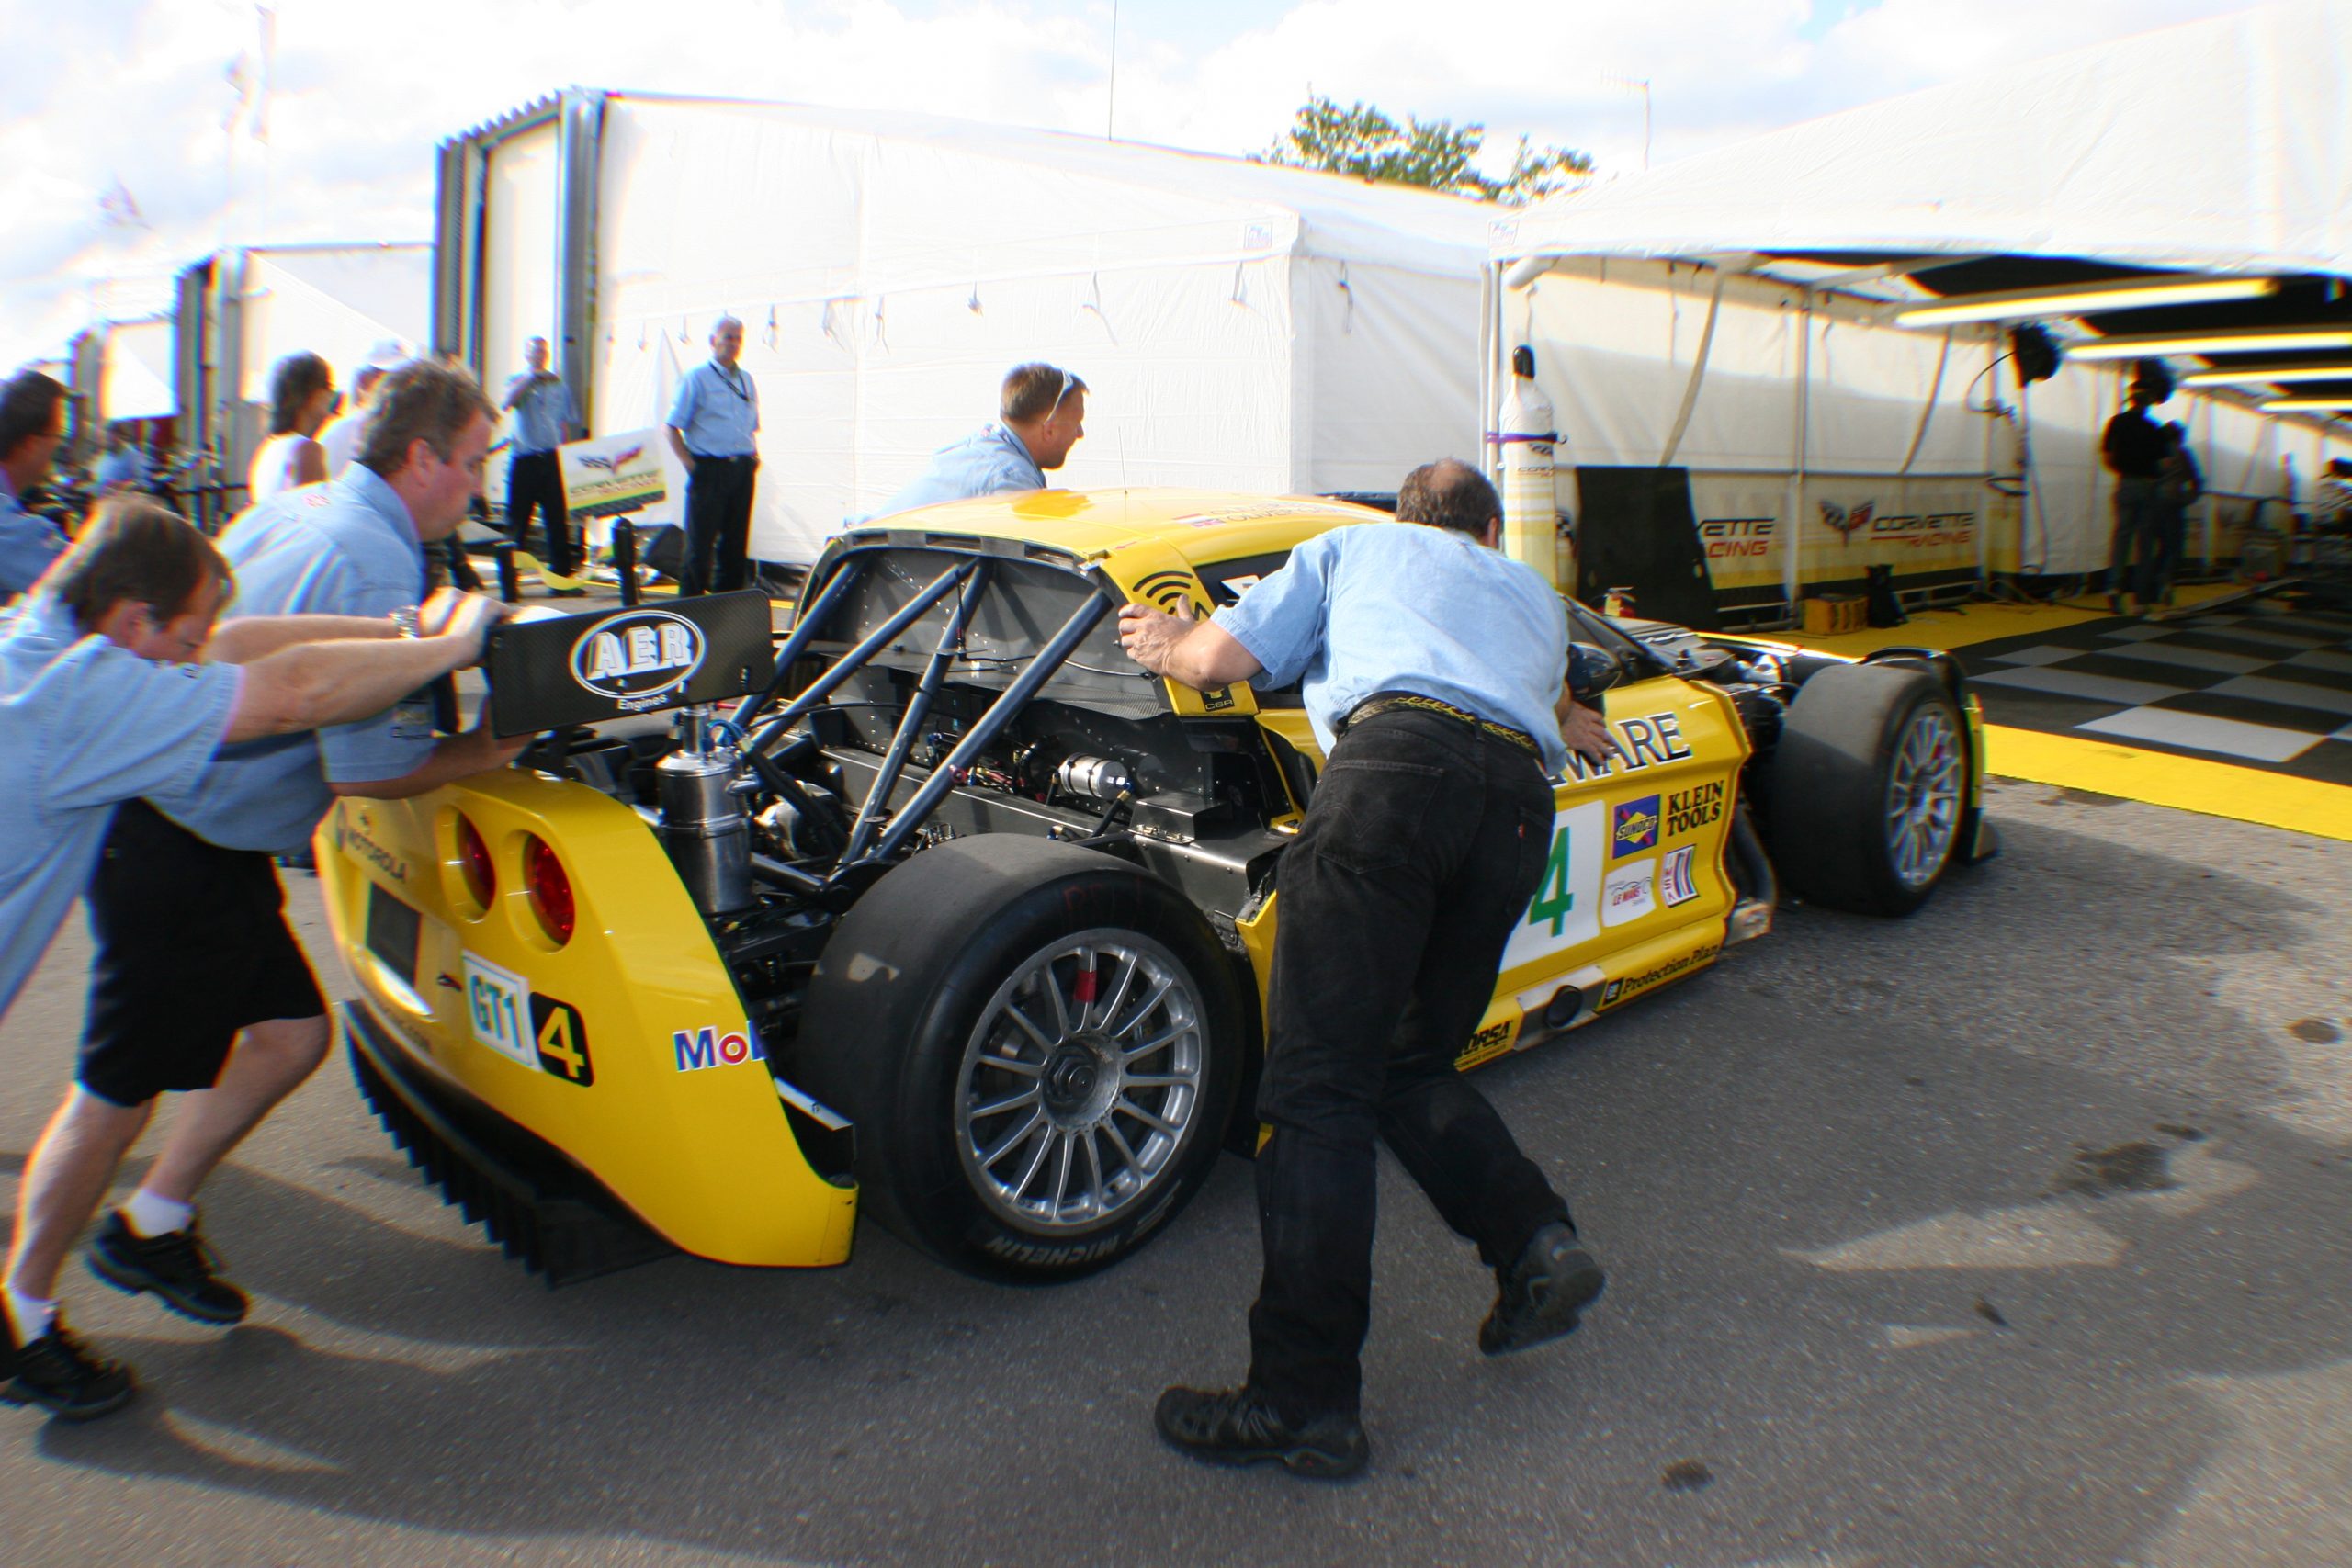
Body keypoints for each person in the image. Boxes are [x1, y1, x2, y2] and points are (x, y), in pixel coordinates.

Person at [2, 362, 526, 1423]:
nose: (479, 484)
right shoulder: (88, 701)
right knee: (115, 1095)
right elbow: (309, 714)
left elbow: (238, 645)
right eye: (473, 463)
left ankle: (148, 1223)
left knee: (290, 1030)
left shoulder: (75, 628)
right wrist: (459, 662)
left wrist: (392, 637)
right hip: (171, 849)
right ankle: (25, 1313)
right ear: (131, 627)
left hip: (199, 842)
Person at [1118, 458, 1616, 1480]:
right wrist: (1564, 718)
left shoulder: (1353, 545)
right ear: (1486, 530)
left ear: (1406, 515)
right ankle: (1531, 1243)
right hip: (1514, 812)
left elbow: (1218, 660)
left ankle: (1300, 1402)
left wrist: (1165, 638)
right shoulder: (1528, 591)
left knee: (1313, 1094)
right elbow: (1549, 704)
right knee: (1408, 1062)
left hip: (1395, 782)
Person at [872, 362, 1088, 516]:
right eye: (1077, 423)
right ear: (1049, 431)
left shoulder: (987, 444)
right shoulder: (1009, 479)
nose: (1080, 433)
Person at [665, 315, 760, 596]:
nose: (733, 344)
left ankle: (726, 609)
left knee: (735, 546)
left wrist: (753, 457)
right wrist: (691, 465)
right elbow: (671, 427)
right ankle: (690, 609)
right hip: (709, 468)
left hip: (741, 468)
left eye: (738, 338)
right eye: (728, 337)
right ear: (712, 341)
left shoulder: (746, 380)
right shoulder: (697, 378)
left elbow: (751, 425)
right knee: (699, 547)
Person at [503, 336, 584, 589]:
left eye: (543, 351)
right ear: (527, 355)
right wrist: (531, 378)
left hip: (550, 457)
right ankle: (510, 580)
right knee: (518, 522)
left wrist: (568, 456)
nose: (539, 355)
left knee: (557, 520)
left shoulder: (558, 385)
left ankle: (561, 578)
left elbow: (565, 422)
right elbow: (508, 402)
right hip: (525, 458)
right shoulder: (517, 380)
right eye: (534, 351)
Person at [2099, 378, 2167, 615]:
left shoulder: (2116, 422)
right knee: (2145, 542)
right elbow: (2165, 464)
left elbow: (2107, 457)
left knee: (2121, 537)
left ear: (2131, 399)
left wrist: (2123, 472)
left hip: (2125, 483)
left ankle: (2113, 588)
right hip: (2148, 485)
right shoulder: (2154, 429)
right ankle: (2140, 598)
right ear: (2149, 402)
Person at [0, 371, 70, 600]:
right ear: (32, 444)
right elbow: (80, 587)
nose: (59, 447)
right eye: (58, 437)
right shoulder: (10, 528)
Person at [247, 351, 338, 502]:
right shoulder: (307, 450)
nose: (331, 397)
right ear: (315, 395)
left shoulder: (268, 448)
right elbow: (315, 515)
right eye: (329, 388)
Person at [317, 339, 411, 477]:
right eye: (387, 377)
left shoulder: (402, 431)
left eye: (402, 377)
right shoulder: (343, 432)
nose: (397, 387)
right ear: (363, 380)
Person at [2151, 421, 2203, 607]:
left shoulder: (2154, 453)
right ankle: (2167, 582)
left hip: (2153, 504)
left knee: (2160, 547)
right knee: (2175, 548)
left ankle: (2152, 588)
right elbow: (2197, 481)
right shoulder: (2183, 454)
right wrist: (2189, 498)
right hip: (2174, 503)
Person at [92, 423, 151, 493]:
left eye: (108, 437)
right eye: (103, 438)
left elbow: (144, 483)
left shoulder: (133, 455)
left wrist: (125, 485)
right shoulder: (104, 456)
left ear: (118, 435)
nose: (105, 441)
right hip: (102, 498)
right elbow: (97, 478)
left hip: (123, 499)